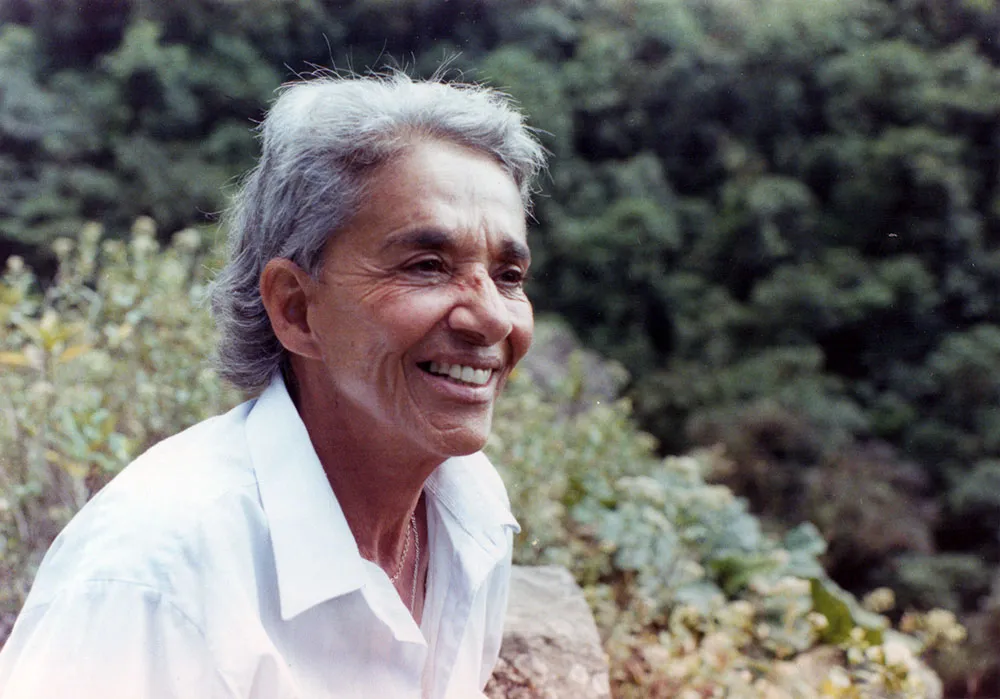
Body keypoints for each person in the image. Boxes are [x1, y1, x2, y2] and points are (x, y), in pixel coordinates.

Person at [0, 71, 546, 698]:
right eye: (426, 267)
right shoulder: (154, 581)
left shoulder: (468, 512)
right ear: (294, 309)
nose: (491, 318)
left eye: (508, 275)